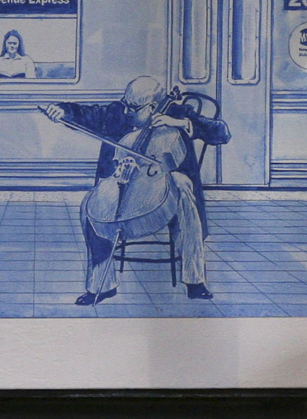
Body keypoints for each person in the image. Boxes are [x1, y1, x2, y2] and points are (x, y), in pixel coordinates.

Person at [42, 76, 230, 304]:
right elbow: (88, 114)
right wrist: (62, 110)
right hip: (123, 180)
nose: (126, 111)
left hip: (163, 187)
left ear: (152, 107)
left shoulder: (177, 113)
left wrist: (180, 123)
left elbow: (221, 132)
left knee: (182, 185)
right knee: (90, 207)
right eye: (125, 104)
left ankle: (195, 280)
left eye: (133, 108)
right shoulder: (118, 112)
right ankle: (101, 285)